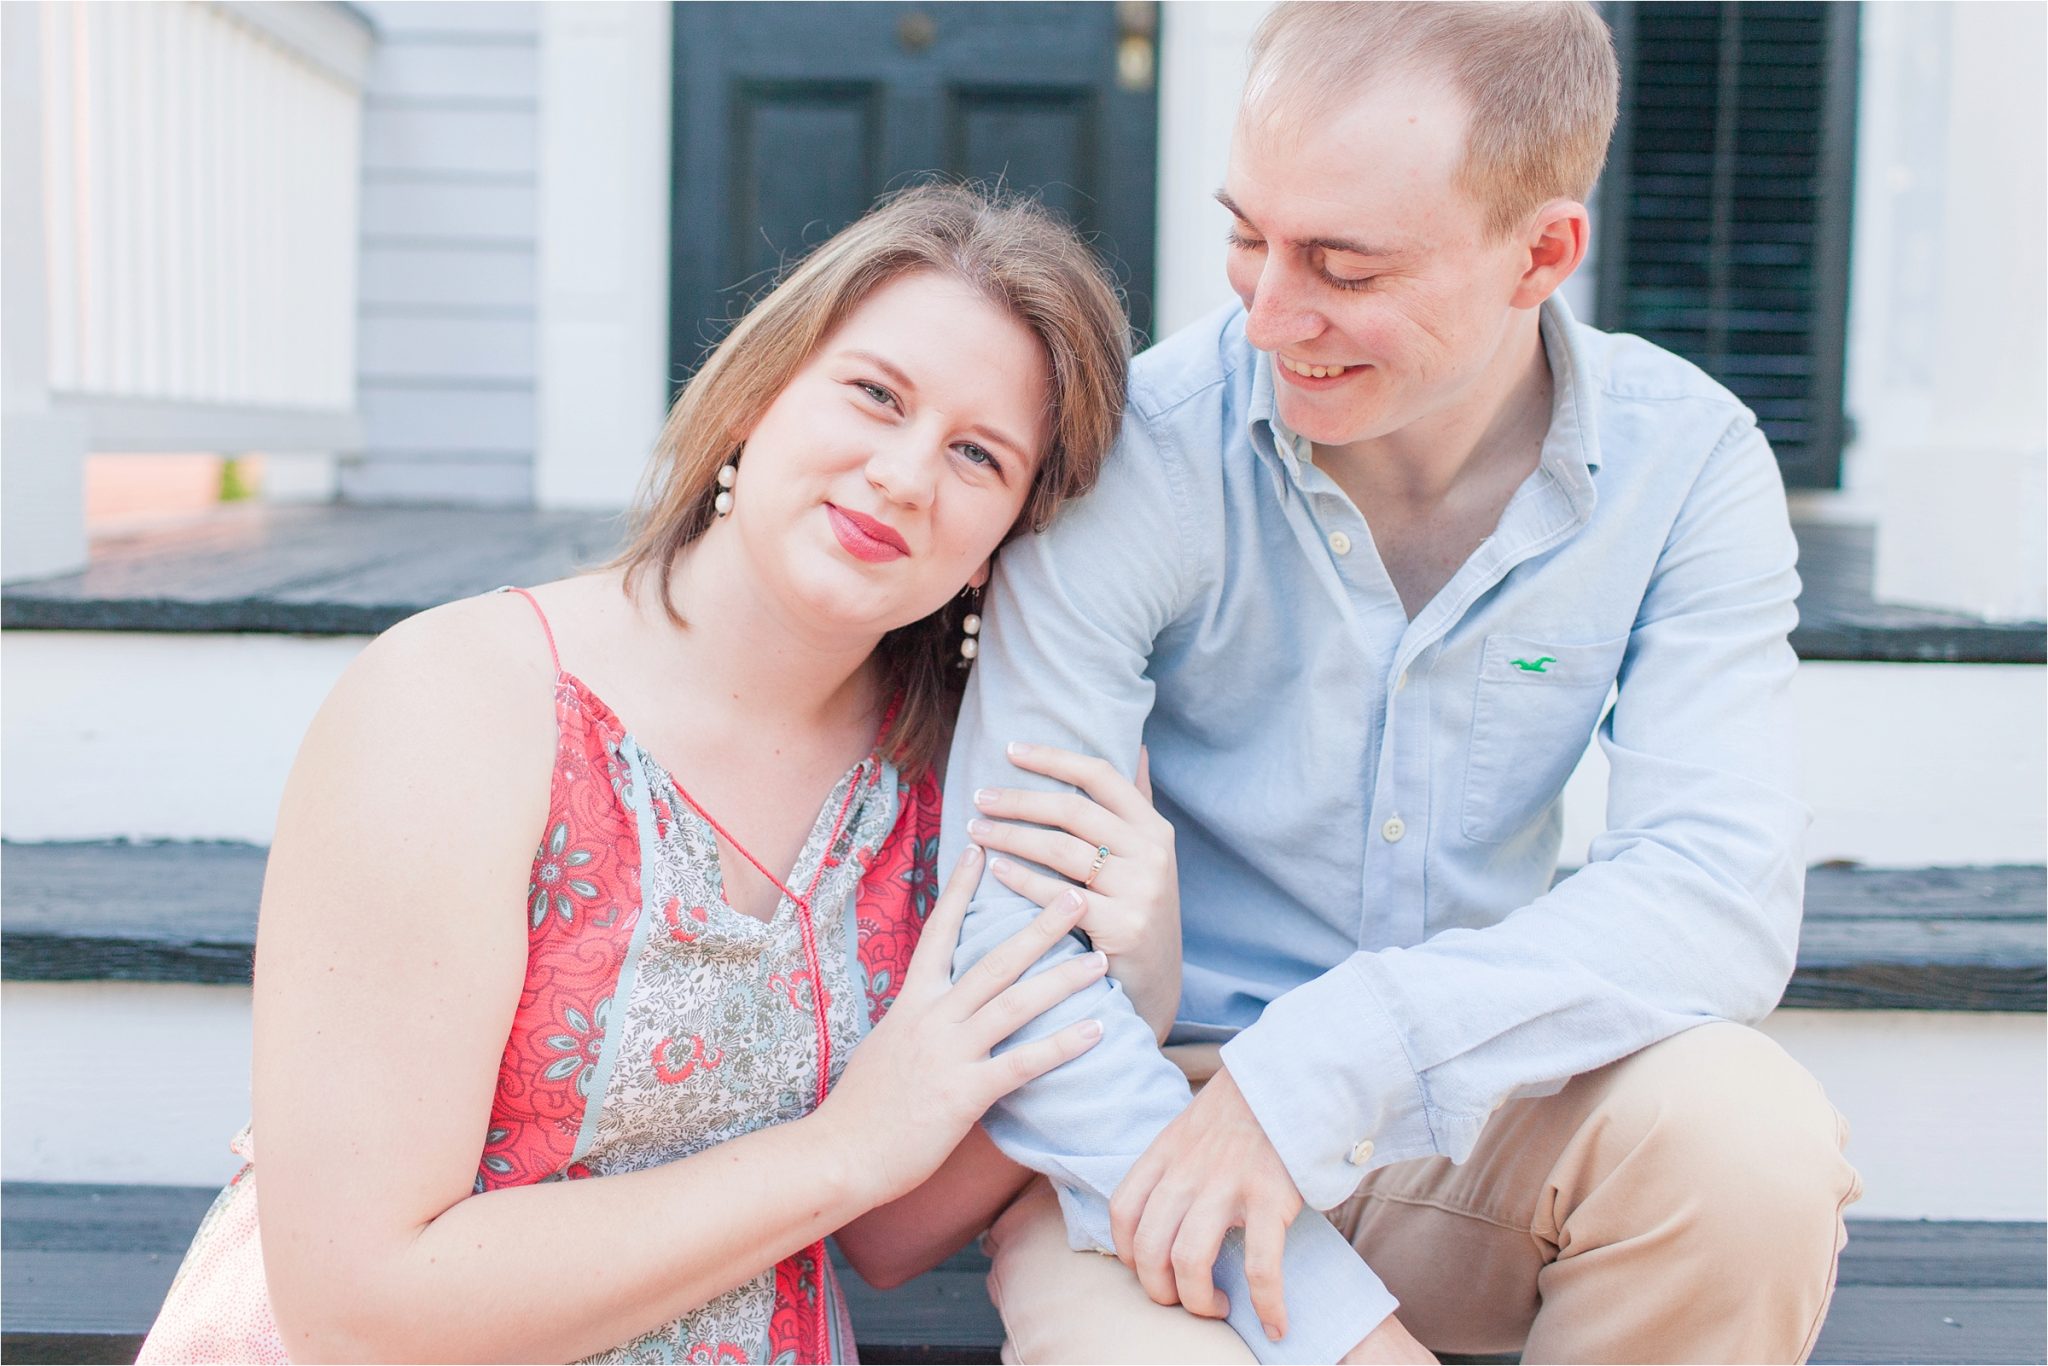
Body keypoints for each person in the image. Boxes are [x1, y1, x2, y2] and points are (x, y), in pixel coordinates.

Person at [941, 5, 1862, 1363]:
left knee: (1748, 1141)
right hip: (1155, 1131)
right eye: (1248, 235)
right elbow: (1006, 942)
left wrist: (1336, 1054)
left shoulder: (1689, 463)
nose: (1269, 314)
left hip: (1472, 1106)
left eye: (1345, 269)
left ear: (1541, 252)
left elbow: (1717, 893)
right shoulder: (1137, 453)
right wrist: (1340, 1324)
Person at [136, 183, 1184, 1364]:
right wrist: (834, 1148)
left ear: (1009, 542)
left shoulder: (940, 790)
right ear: (754, 397)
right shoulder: (462, 702)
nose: (902, 473)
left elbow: (889, 1229)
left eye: (977, 455)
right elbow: (356, 1304)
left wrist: (1132, 987)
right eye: (874, 394)